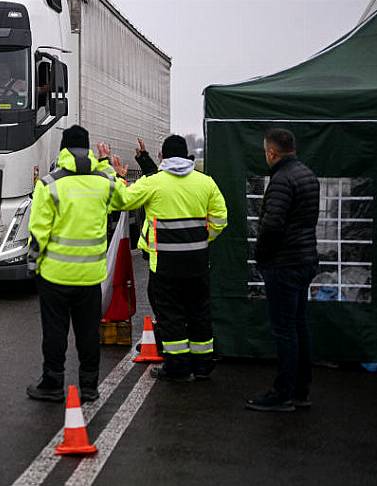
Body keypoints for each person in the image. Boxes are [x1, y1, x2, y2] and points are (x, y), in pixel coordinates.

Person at [111, 135, 228, 382]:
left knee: (171, 314)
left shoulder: (154, 182)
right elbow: (220, 219)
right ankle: (203, 364)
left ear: (163, 156)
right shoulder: (205, 182)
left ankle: (178, 368)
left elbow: (122, 200)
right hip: (197, 262)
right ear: (187, 156)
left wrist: (120, 177)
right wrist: (202, 239)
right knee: (199, 312)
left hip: (164, 263)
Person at [26, 125, 127, 403]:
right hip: (90, 276)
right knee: (88, 333)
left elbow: (38, 234)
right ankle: (90, 386)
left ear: (63, 150)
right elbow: (122, 200)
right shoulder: (103, 184)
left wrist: (32, 266)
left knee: (55, 332)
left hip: (55, 275)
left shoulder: (48, 184)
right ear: (89, 149)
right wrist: (109, 169)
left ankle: (53, 384)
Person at [246, 128, 320, 412]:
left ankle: (283, 393)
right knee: (299, 326)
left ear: (272, 153)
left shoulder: (280, 180)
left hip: (284, 264)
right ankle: (301, 389)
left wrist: (262, 257)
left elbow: (272, 225)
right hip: (304, 261)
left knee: (284, 330)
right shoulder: (307, 175)